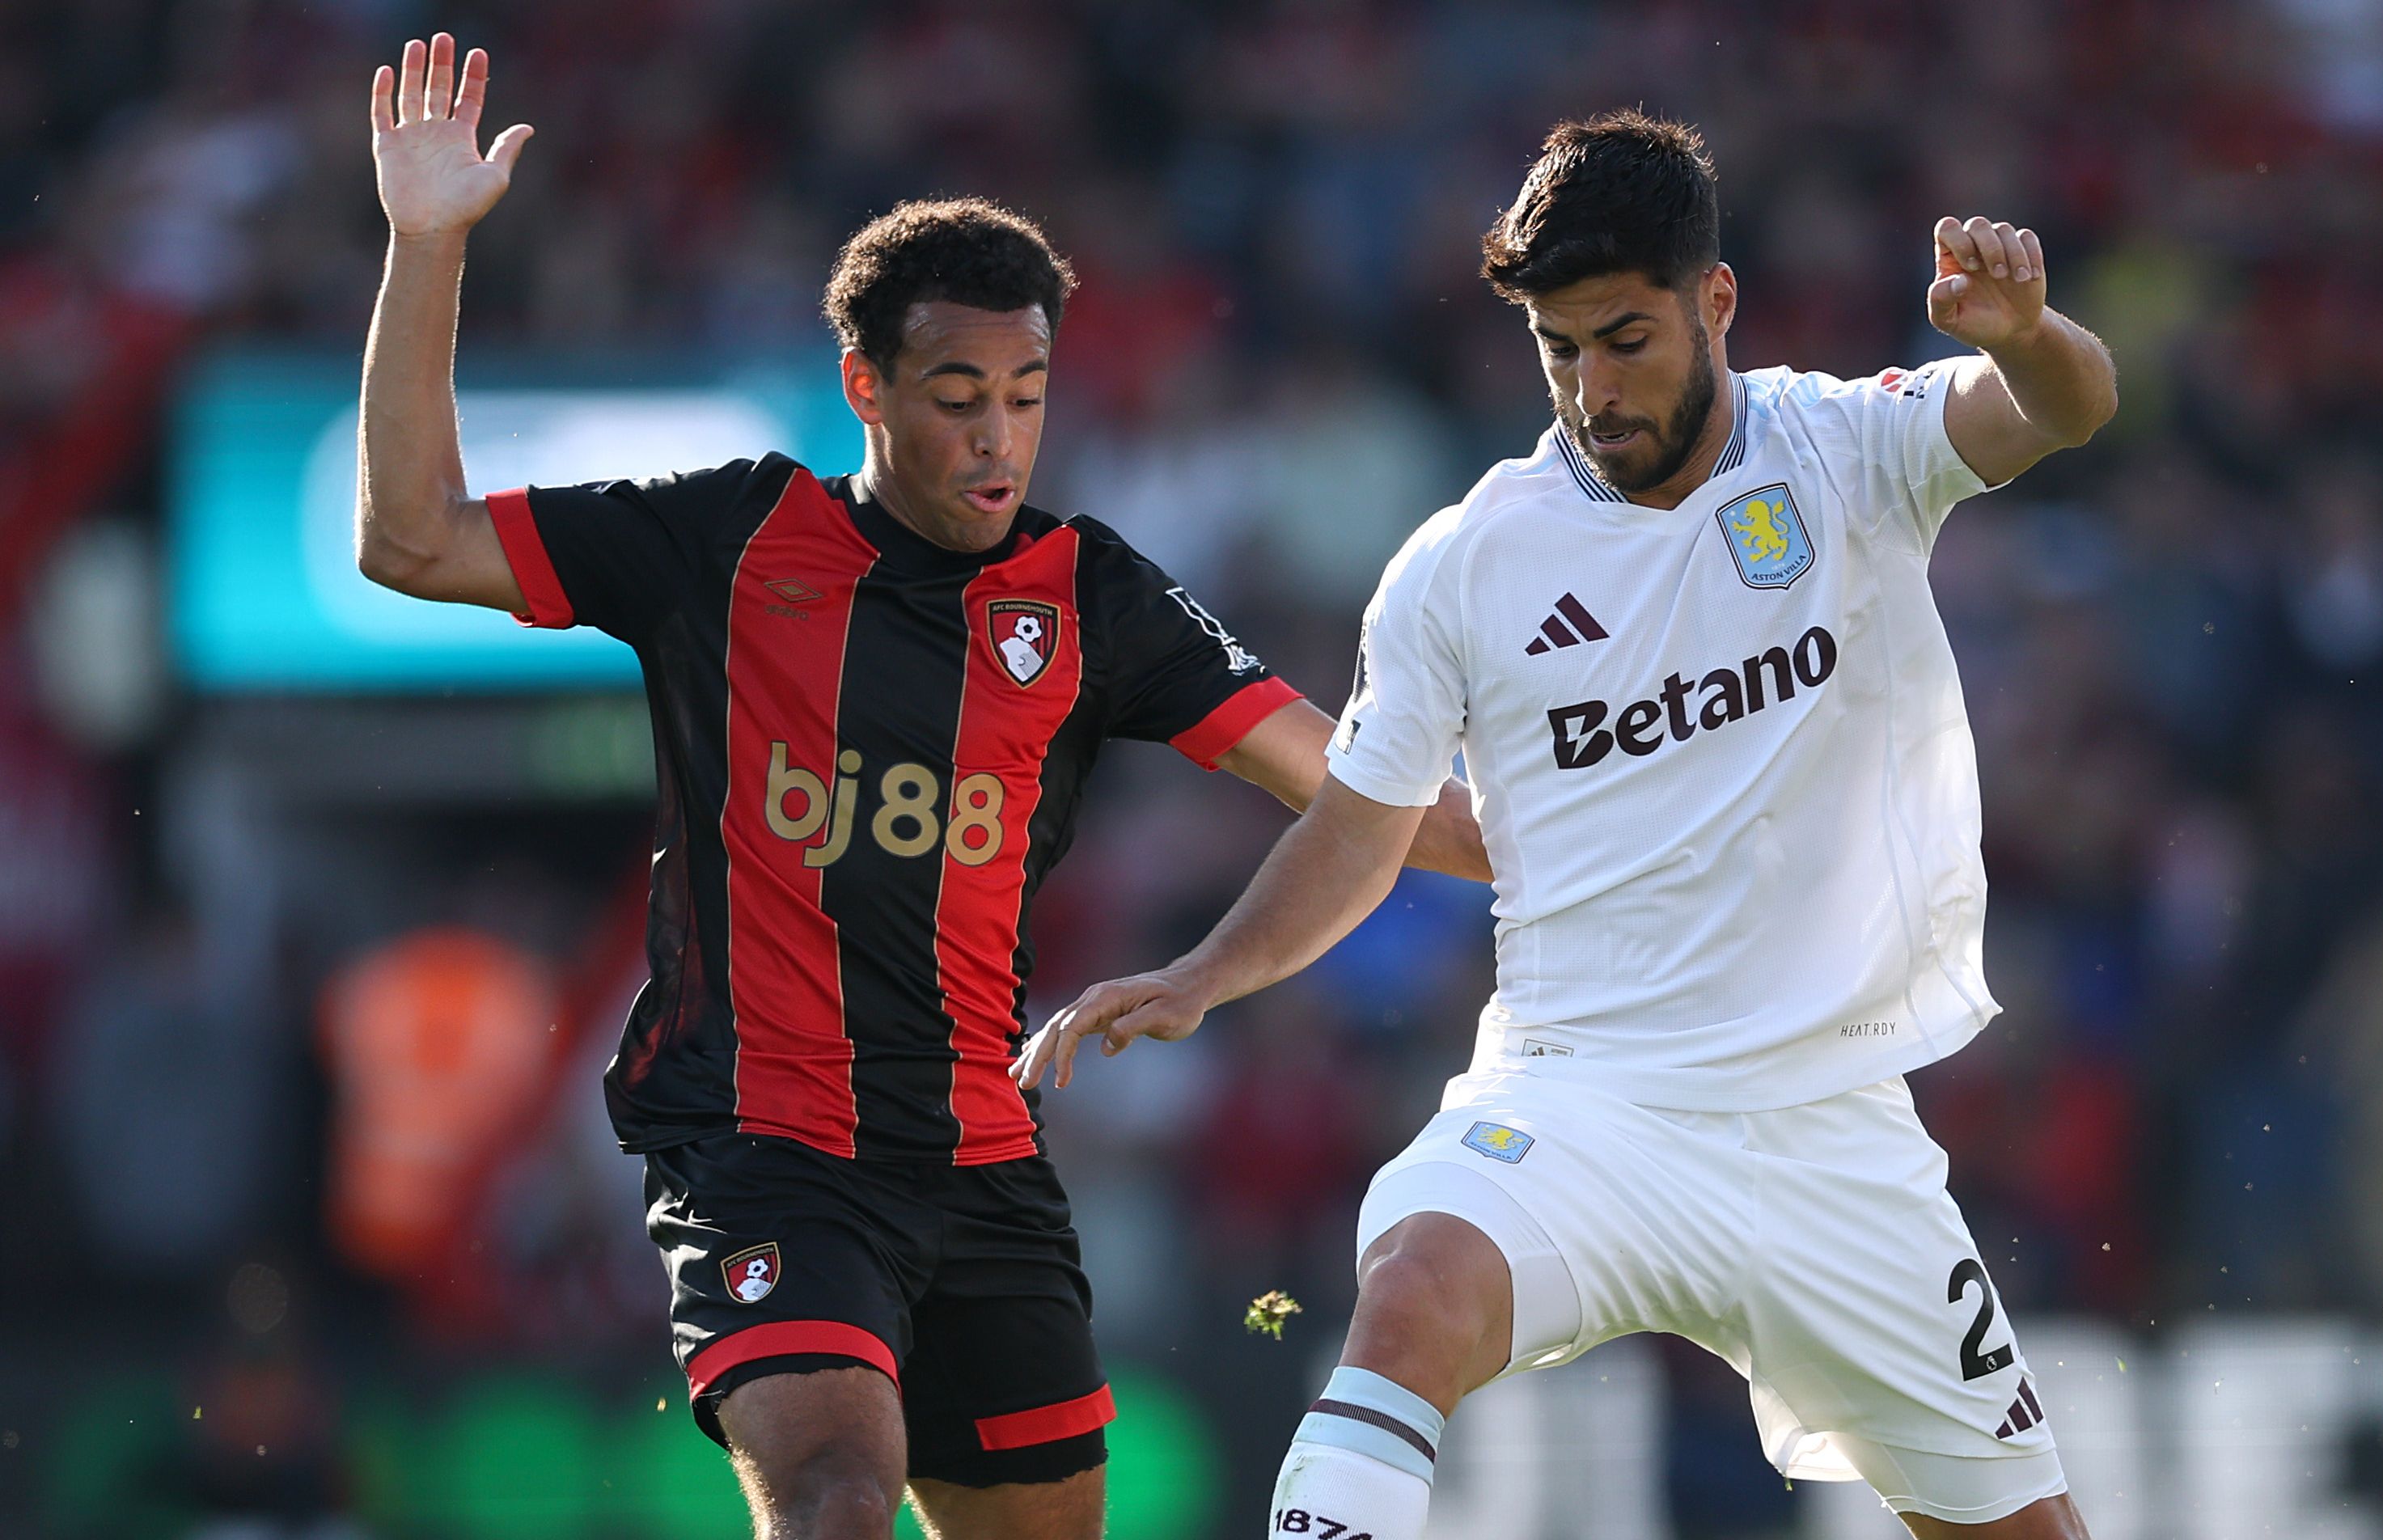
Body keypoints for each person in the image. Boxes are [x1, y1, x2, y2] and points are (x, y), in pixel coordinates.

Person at [353, 35, 1486, 1540]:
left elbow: (1364, 794)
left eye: (1025, 394)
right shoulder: (729, 544)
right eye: (956, 394)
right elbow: (409, 538)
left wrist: (1640, 841)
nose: (997, 435)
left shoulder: (1090, 595)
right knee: (835, 1495)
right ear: (863, 387)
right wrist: (427, 245)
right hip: (761, 1147)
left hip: (982, 1155)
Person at [1024, 111, 2114, 1538]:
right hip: (1584, 1095)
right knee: (1412, 1290)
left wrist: (2028, 332)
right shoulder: (1464, 567)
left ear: (1713, 302)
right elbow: (1365, 823)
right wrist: (1202, 977)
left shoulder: (1847, 448)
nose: (1590, 389)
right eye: (1557, 349)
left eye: (1623, 338)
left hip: (1826, 1133)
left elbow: (2068, 410)